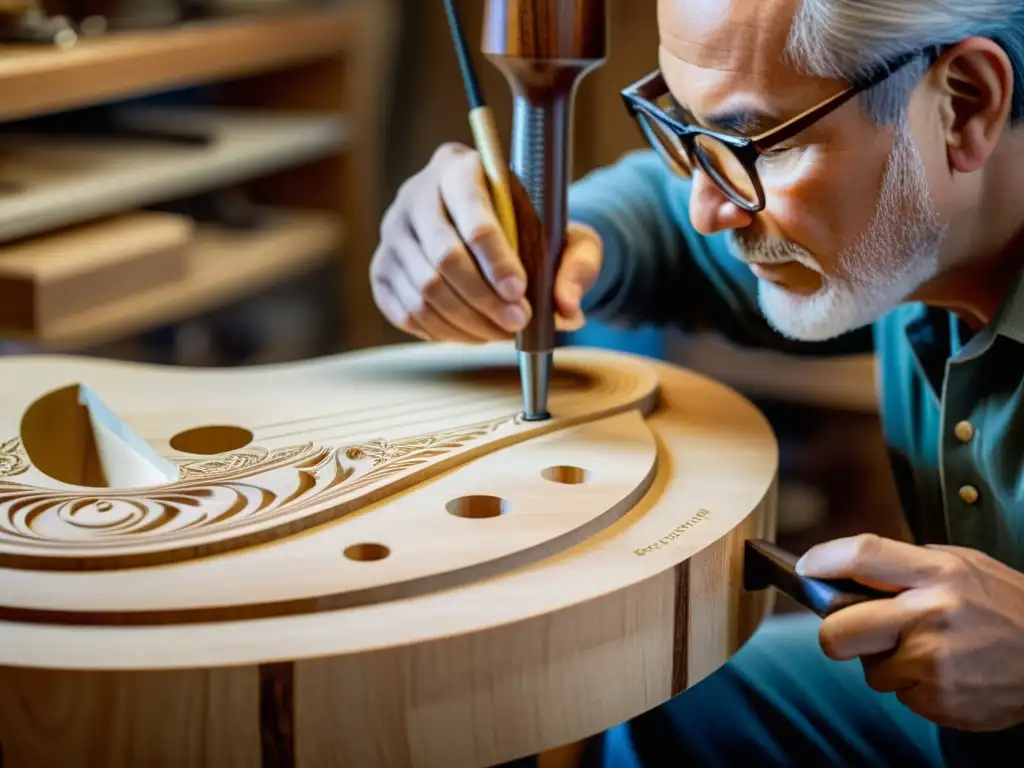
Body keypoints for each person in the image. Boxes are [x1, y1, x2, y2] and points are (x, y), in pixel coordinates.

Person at [369, 0, 1024, 764]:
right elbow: (657, 219)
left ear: (966, 105)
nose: (707, 207)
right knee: (649, 707)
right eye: (691, 132)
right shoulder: (912, 226)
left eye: (756, 146)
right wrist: (522, 238)